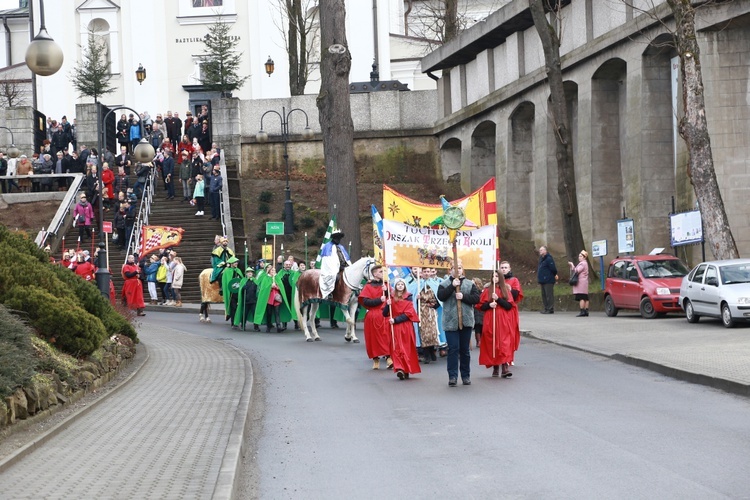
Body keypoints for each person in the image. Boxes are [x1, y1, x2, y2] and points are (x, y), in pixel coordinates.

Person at [438, 261, 481, 387]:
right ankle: (452, 376)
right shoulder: (444, 284)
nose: (457, 270)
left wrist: (463, 296)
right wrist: (452, 286)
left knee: (464, 350)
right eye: (454, 268)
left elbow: (476, 299)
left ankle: (466, 375)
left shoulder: (469, 284)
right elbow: (441, 296)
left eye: (460, 268)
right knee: (453, 349)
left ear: (463, 270)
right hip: (450, 321)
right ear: (450, 270)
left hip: (466, 320)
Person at [477, 271, 516, 378]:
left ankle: (505, 367)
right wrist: (489, 304)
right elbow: (481, 306)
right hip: (490, 319)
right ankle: (495, 366)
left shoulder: (505, 290)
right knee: (492, 342)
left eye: (497, 276)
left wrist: (498, 299)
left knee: (503, 342)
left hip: (502, 319)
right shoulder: (487, 290)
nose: (495, 278)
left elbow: (509, 306)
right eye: (493, 276)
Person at [383, 278, 421, 380]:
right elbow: (384, 313)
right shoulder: (391, 297)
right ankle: (400, 368)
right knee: (397, 347)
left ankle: (406, 368)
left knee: (406, 348)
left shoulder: (408, 297)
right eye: (398, 284)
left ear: (404, 286)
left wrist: (396, 320)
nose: (400, 286)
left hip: (405, 326)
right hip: (394, 327)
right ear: (395, 286)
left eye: (402, 284)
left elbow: (408, 313)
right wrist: (388, 304)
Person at [358, 265, 393, 370]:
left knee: (387, 337)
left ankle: (388, 357)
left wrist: (386, 291)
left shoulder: (386, 284)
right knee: (373, 339)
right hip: (373, 315)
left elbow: (393, 297)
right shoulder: (368, 286)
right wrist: (379, 300)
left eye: (383, 271)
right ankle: (376, 359)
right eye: (380, 271)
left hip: (385, 314)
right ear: (375, 274)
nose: (383, 273)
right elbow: (365, 301)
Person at [319, 228, 351, 300]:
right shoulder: (327, 246)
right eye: (337, 238)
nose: (338, 240)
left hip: (343, 267)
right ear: (333, 238)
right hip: (332, 268)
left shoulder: (341, 247)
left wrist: (349, 266)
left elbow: (346, 258)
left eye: (339, 238)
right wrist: (337, 268)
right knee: (335, 276)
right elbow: (328, 261)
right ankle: (331, 292)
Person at [500, 260, 524, 353]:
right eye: (502, 268)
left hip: (510, 309)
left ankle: (510, 354)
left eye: (505, 268)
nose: (504, 269)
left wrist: (508, 289)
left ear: (509, 269)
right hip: (500, 309)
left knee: (510, 332)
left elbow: (516, 294)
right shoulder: (497, 280)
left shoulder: (514, 280)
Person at [234, 267, 260, 331]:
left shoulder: (255, 281)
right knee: (244, 314)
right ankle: (243, 325)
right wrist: (243, 288)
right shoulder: (243, 281)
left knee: (255, 314)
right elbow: (240, 290)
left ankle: (256, 326)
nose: (250, 273)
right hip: (246, 301)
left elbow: (258, 290)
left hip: (253, 300)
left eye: (251, 272)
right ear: (246, 273)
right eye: (248, 272)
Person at [221, 256, 245, 321]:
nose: (236, 263)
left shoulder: (238, 270)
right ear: (231, 263)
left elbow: (242, 280)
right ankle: (233, 322)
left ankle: (238, 321)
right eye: (235, 262)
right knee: (233, 307)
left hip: (238, 292)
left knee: (239, 307)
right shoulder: (226, 271)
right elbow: (226, 282)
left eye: (236, 262)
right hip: (231, 293)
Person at [568, 250, 590, 317]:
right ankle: (586, 311)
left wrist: (572, 265)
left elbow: (576, 271)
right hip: (584, 282)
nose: (579, 257)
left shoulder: (582, 264)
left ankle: (582, 311)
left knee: (581, 297)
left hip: (581, 283)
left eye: (580, 256)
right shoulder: (585, 263)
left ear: (584, 257)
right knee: (586, 297)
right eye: (579, 256)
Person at [537, 245, 558, 314]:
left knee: (549, 294)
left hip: (548, 280)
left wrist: (553, 275)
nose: (540, 251)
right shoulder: (541, 259)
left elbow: (553, 269)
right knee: (544, 295)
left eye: (542, 250)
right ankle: (546, 308)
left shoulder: (549, 259)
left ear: (545, 251)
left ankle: (550, 308)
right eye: (540, 250)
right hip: (542, 280)